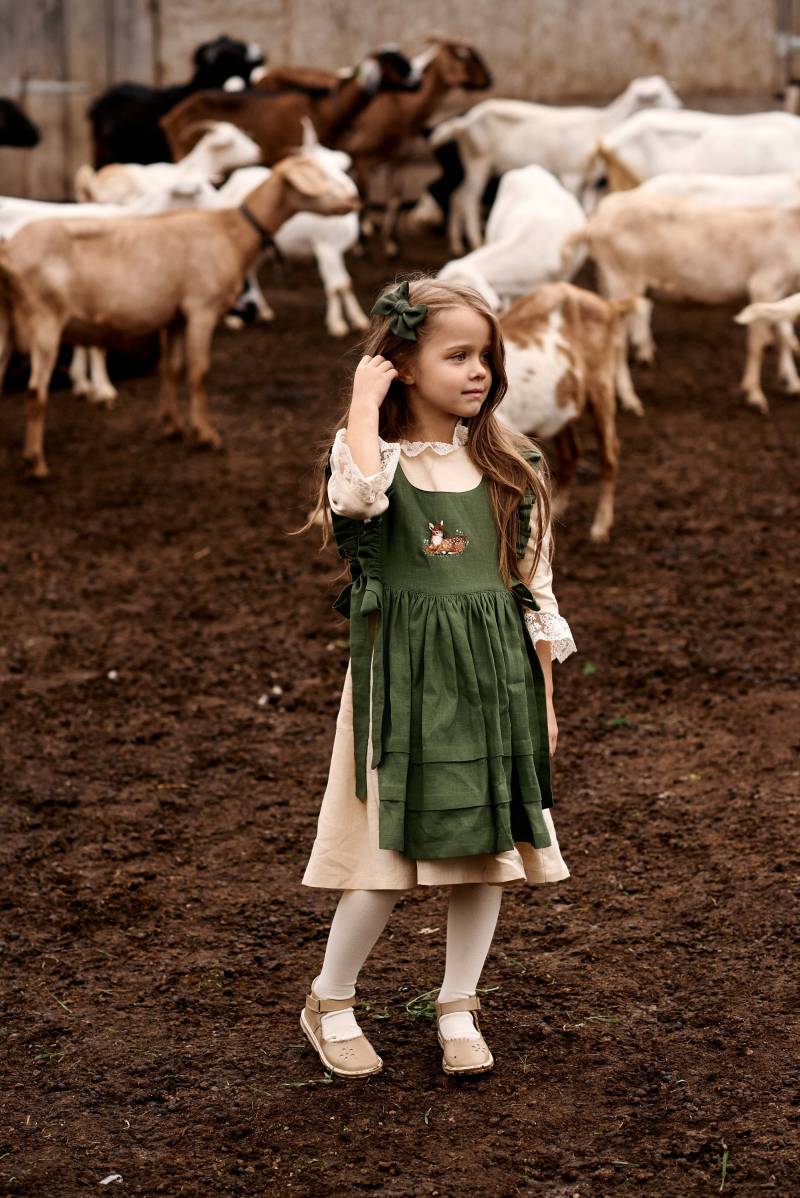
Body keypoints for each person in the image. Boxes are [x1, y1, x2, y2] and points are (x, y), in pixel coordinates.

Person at [300, 275, 576, 1078]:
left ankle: (459, 1002)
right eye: (456, 355)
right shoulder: (372, 458)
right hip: (401, 682)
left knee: (486, 853)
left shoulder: (512, 462)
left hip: (493, 677)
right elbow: (354, 499)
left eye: (485, 356)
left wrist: (546, 702)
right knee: (383, 864)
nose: (478, 371)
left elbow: (537, 587)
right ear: (403, 366)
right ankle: (331, 999)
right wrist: (361, 398)